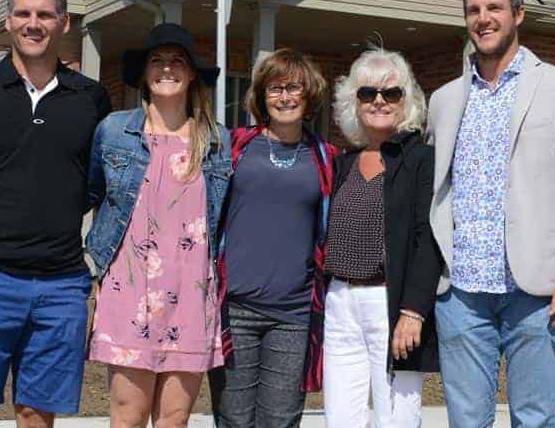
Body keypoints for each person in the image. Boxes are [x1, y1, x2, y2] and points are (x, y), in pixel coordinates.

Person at [428, 0, 555, 428]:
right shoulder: (444, 100)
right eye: (473, 10)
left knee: (534, 418)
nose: (483, 19)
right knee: (466, 422)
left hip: (535, 292)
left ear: (518, 14)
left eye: (494, 8)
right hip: (461, 290)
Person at [0, 0, 112, 428]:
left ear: (64, 23)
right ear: (7, 22)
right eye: (23, 13)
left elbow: (98, 181)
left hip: (62, 284)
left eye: (45, 15)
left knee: (36, 414)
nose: (33, 23)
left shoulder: (90, 97)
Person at [85, 22, 232, 428]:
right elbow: (91, 192)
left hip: (191, 296)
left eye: (177, 61)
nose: (166, 69)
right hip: (127, 293)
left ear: (191, 75)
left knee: (174, 420)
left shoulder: (216, 141)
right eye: (157, 61)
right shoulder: (114, 131)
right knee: (127, 418)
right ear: (145, 74)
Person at [208, 48, 337, 428]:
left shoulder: (326, 157)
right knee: (233, 418)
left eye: (293, 88)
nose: (284, 97)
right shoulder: (233, 147)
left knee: (280, 420)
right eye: (274, 89)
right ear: (262, 98)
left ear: (308, 94)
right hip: (235, 308)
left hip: (293, 314)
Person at [323, 48, 441, 427]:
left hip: (391, 304)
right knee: (340, 418)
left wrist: (413, 311)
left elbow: (430, 238)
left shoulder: (421, 159)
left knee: (397, 419)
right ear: (352, 102)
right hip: (341, 302)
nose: (378, 101)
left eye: (391, 93)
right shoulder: (341, 163)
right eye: (367, 92)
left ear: (406, 101)